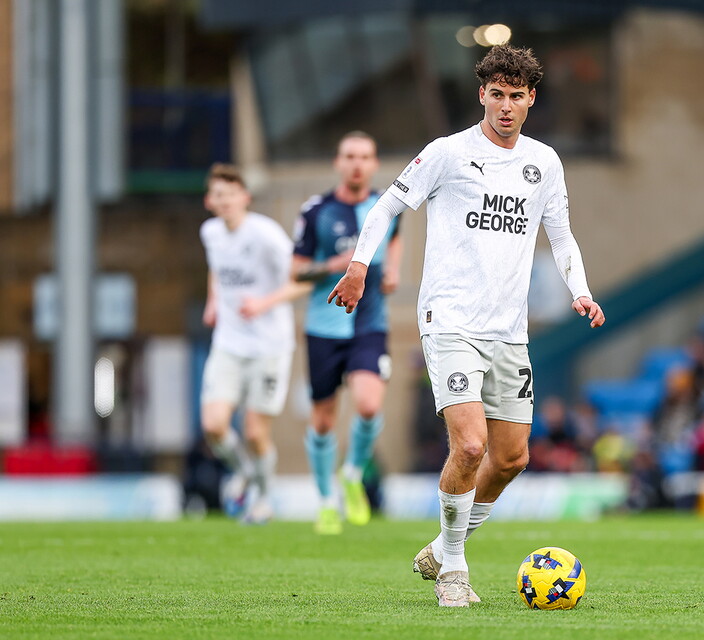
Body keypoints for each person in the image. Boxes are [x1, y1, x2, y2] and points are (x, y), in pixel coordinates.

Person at [328, 45, 605, 607]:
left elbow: (563, 235)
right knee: (472, 444)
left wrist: (581, 291)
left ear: (531, 99)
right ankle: (454, 571)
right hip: (449, 320)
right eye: (496, 95)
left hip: (509, 330)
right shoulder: (448, 154)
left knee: (511, 458)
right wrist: (359, 264)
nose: (506, 106)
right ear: (482, 94)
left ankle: (442, 544)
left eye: (517, 96)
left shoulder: (544, 163)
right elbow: (384, 208)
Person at [241, 131, 402, 535]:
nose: (357, 164)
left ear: (374, 162)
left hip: (369, 323)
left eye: (365, 156)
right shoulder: (316, 212)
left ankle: (351, 474)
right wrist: (337, 265)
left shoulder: (385, 206)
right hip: (324, 326)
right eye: (350, 156)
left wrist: (394, 269)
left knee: (368, 405)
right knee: (324, 419)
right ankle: (327, 501)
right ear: (338, 161)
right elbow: (296, 271)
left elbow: (394, 238)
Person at [199, 163, 295, 524]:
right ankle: (244, 473)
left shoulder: (266, 235)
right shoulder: (210, 233)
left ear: (245, 197)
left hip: (270, 346)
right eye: (217, 195)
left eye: (230, 195)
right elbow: (217, 268)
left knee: (255, 433)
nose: (224, 202)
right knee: (214, 425)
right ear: (209, 201)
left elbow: (300, 279)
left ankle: (264, 497)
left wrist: (263, 303)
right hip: (228, 342)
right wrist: (213, 301)